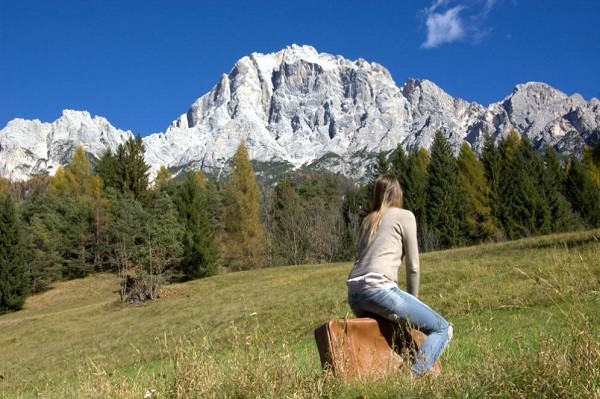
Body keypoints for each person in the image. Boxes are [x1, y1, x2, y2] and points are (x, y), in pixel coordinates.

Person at [347, 174, 452, 376]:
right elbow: (413, 266)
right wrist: (414, 300)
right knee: (442, 328)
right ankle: (411, 380)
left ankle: (387, 376)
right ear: (399, 194)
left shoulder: (367, 221)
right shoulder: (405, 216)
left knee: (395, 337)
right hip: (379, 289)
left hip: (354, 294)